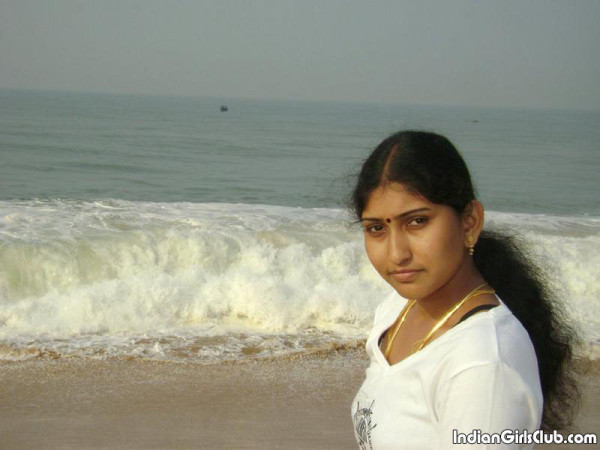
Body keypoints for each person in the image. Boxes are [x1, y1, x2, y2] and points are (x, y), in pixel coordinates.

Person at [349, 130, 578, 449]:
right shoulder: (397, 310)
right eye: (376, 228)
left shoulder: (484, 364)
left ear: (469, 222)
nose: (396, 253)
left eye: (417, 222)